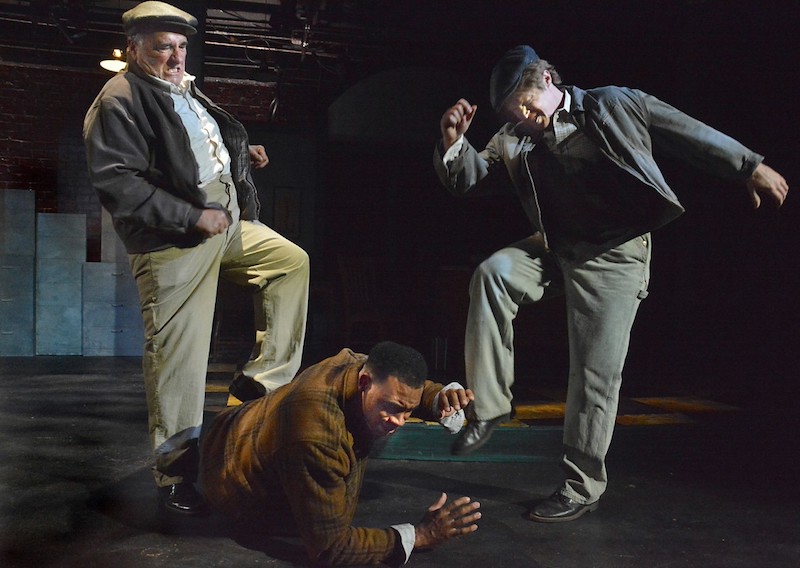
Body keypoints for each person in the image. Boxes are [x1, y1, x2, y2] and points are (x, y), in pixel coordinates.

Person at [433, 45, 788, 523]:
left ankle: (581, 487)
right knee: (493, 273)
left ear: (549, 79)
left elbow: (687, 132)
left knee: (594, 374)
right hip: (554, 248)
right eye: (512, 108)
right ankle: (492, 407)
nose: (522, 113)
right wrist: (454, 143)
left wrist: (749, 166)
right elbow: (468, 180)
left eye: (526, 100)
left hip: (613, 256)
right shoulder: (513, 135)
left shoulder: (615, 103)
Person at [83, 1, 310, 515]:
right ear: (135, 48)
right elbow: (120, 184)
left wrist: (240, 156)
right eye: (164, 46)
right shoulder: (119, 100)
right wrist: (191, 217)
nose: (176, 56)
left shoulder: (179, 85)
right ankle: (175, 474)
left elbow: (193, 147)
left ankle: (258, 386)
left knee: (290, 262)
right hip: (174, 242)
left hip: (224, 223)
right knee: (179, 360)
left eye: (182, 46)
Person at [200, 341, 481, 566]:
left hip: (234, 427)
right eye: (394, 408)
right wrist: (420, 535)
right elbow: (330, 549)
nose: (400, 421)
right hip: (230, 484)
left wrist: (438, 397)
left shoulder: (354, 363)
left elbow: (402, 388)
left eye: (409, 411)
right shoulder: (317, 437)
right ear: (363, 384)